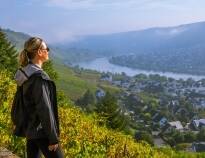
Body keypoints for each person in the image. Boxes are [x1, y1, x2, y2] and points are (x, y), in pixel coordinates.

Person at [14, 37, 64, 158]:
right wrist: (53, 138)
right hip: (42, 131)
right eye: (47, 48)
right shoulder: (38, 78)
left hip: (31, 129)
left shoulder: (26, 74)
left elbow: (20, 103)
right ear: (39, 52)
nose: (48, 51)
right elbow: (44, 109)